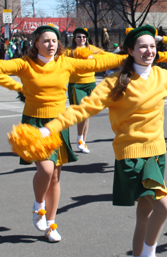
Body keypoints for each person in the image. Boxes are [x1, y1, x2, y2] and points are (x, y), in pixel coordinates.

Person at [41, 25, 167, 257]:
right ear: (130, 51)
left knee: (145, 215)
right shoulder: (115, 82)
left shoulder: (162, 76)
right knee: (164, 205)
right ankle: (149, 252)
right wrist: (50, 128)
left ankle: (138, 253)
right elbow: (82, 109)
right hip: (131, 155)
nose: (149, 51)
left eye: (152, 46)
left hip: (157, 153)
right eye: (143, 46)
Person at [0, 24, 125, 243]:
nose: (51, 44)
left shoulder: (65, 62)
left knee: (56, 176)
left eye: (54, 41)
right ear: (36, 43)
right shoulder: (25, 64)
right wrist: (16, 87)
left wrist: (126, 58)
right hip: (34, 123)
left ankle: (51, 224)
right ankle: (39, 205)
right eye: (46, 40)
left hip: (58, 123)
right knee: (46, 169)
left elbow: (97, 63)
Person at [65, 27, 114, 153]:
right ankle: (79, 140)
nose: (81, 39)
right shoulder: (69, 51)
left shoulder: (92, 49)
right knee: (82, 114)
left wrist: (121, 57)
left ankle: (82, 141)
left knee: (87, 114)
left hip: (90, 84)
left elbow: (105, 55)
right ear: (74, 39)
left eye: (84, 37)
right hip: (76, 85)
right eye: (79, 37)